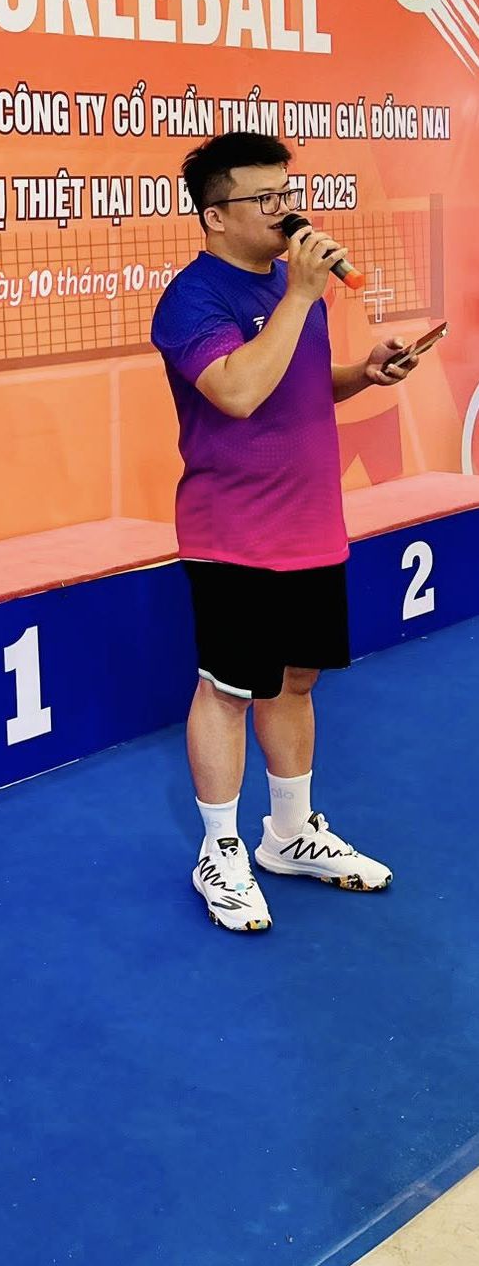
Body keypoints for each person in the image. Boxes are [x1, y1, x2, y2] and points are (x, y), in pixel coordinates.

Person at [151, 133, 421, 933]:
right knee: (229, 689)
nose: (286, 211)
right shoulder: (193, 300)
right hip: (233, 531)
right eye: (265, 199)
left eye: (287, 193)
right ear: (215, 215)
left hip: (311, 523)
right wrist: (301, 296)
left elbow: (289, 382)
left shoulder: (287, 286)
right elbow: (236, 391)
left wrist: (361, 374)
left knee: (297, 681)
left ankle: (290, 833)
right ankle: (220, 850)